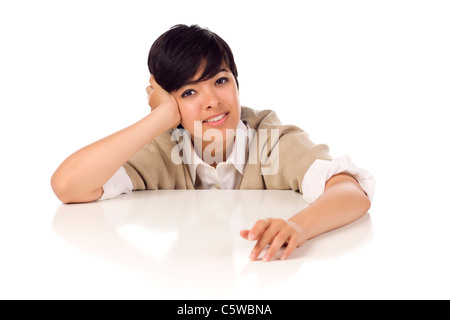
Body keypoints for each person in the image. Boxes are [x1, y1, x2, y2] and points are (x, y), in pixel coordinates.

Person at [51, 24, 375, 262]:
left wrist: (297, 227)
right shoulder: (163, 149)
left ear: (236, 84)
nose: (212, 102)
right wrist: (162, 118)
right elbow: (69, 185)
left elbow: (350, 192)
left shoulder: (270, 141)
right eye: (189, 92)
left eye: (221, 81)